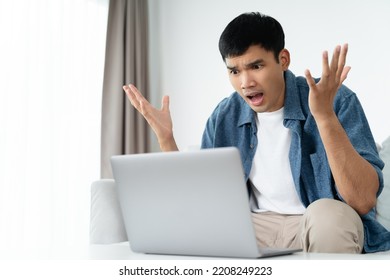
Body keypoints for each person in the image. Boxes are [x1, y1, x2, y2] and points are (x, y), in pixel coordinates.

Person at [122, 12, 390, 253]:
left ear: (283, 60)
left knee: (328, 216)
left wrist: (324, 116)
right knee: (182, 225)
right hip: (254, 225)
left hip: (314, 224)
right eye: (234, 71)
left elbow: (363, 200)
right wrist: (167, 140)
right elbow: (200, 204)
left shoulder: (334, 99)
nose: (245, 82)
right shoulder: (225, 114)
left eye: (256, 66)